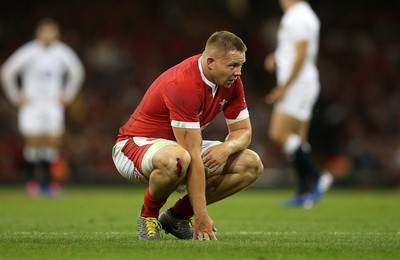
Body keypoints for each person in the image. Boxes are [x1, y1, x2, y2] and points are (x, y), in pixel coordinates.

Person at [112, 31, 263, 241]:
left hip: (179, 146)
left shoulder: (232, 82)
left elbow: (243, 131)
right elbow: (191, 153)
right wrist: (202, 215)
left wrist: (226, 148)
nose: (238, 72)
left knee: (250, 164)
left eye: (240, 65)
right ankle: (148, 216)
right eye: (232, 65)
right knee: (179, 159)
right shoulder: (184, 84)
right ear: (210, 62)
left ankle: (177, 217)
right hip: (134, 146)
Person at [0, 18, 85, 196]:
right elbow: (7, 71)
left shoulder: (62, 52)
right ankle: (32, 182)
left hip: (53, 103)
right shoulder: (29, 51)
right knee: (33, 141)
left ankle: (47, 183)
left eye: (51, 31)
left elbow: (77, 72)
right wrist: (16, 96)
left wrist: (68, 95)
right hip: (33, 103)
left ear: (57, 34)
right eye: (45, 31)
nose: (48, 35)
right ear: (38, 33)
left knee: (53, 141)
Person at [263, 0, 333, 208]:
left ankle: (319, 176)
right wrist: (277, 57)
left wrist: (284, 87)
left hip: (297, 85)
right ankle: (304, 192)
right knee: (298, 140)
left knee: (278, 133)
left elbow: (302, 54)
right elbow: (296, 49)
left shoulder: (298, 16)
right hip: (304, 83)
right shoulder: (303, 14)